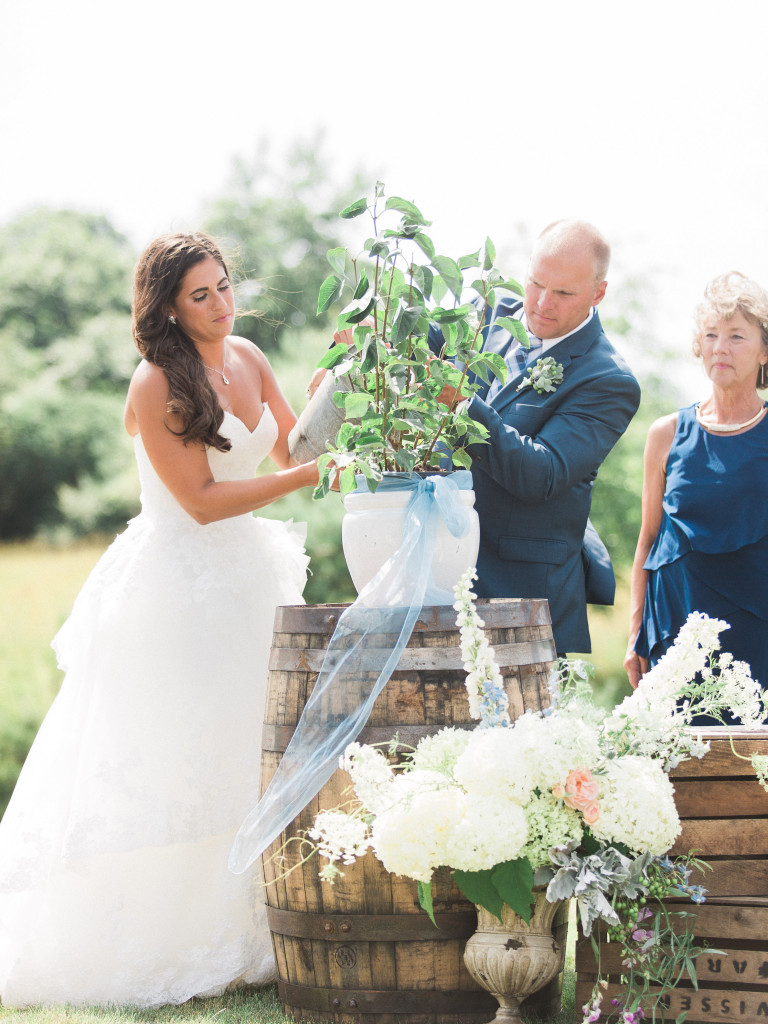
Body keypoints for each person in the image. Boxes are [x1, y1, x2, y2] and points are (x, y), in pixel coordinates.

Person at [0, 232, 321, 1008]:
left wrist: (333, 395)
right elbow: (204, 503)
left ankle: (254, 934)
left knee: (251, 748)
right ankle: (163, 940)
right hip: (179, 593)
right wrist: (315, 473)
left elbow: (293, 450)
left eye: (222, 287)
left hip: (253, 580)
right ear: (169, 309)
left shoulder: (249, 357)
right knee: (180, 756)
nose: (220, 305)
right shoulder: (157, 381)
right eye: (200, 295)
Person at [434, 220, 641, 655]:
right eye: (536, 283)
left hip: (521, 600)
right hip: (434, 578)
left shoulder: (608, 379)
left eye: (564, 293)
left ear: (598, 294)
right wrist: (351, 359)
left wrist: (463, 405)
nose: (543, 304)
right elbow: (410, 337)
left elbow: (540, 473)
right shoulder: (488, 312)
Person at [625, 271, 768, 711]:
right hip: (676, 632)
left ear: (765, 350)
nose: (720, 347)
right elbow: (648, 539)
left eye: (737, 336)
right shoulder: (665, 434)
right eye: (711, 335)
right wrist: (636, 635)